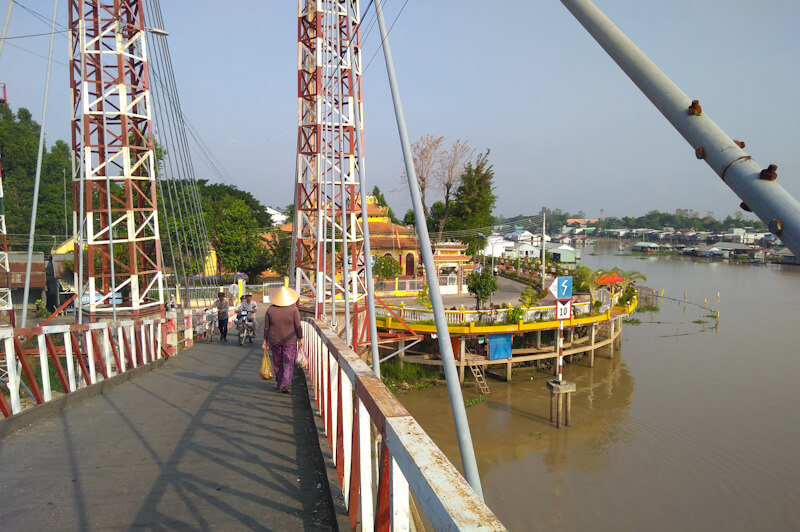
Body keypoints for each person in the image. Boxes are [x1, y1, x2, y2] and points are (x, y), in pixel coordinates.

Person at [262, 286, 304, 393]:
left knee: (277, 362)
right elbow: (298, 326)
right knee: (289, 362)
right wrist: (301, 338)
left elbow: (266, 327)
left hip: (274, 339)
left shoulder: (270, 310)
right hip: (290, 341)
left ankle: (279, 383)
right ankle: (285, 383)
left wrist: (264, 340)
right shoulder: (294, 309)